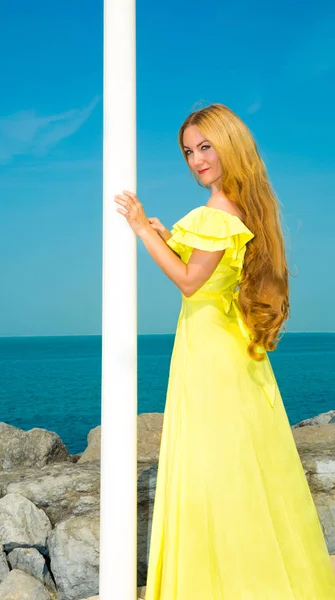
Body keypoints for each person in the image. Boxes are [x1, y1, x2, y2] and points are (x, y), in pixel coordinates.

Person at [114, 103, 335, 599]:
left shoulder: (216, 211)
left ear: (229, 144)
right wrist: (169, 237)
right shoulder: (237, 207)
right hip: (227, 349)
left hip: (212, 354)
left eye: (205, 146)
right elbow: (210, 276)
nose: (196, 160)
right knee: (240, 469)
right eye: (189, 151)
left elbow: (191, 284)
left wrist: (142, 231)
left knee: (213, 473)